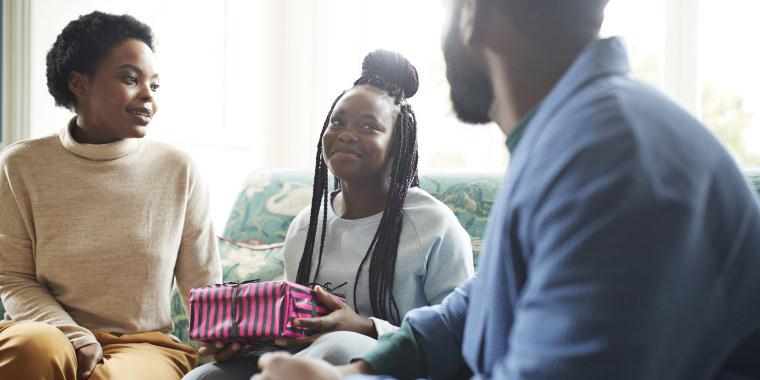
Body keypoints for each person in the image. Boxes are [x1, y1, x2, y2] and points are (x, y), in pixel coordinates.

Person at [252, 0, 760, 379]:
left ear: (473, 14)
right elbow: (478, 305)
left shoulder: (611, 160)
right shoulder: (575, 132)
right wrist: (354, 373)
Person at [183, 50, 474, 380]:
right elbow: (297, 334)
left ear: (398, 145)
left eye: (369, 126)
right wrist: (244, 340)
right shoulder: (306, 226)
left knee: (335, 346)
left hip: (393, 366)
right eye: (338, 122)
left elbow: (462, 331)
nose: (347, 134)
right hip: (308, 359)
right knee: (203, 377)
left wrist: (365, 328)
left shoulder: (432, 223)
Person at [0, 11, 222, 380]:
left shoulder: (179, 168)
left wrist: (221, 341)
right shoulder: (20, 165)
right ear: (79, 84)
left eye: (155, 84)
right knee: (31, 349)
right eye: (130, 78)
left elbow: (202, 282)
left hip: (144, 346)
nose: (147, 94)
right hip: (47, 332)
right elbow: (12, 276)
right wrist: (76, 337)